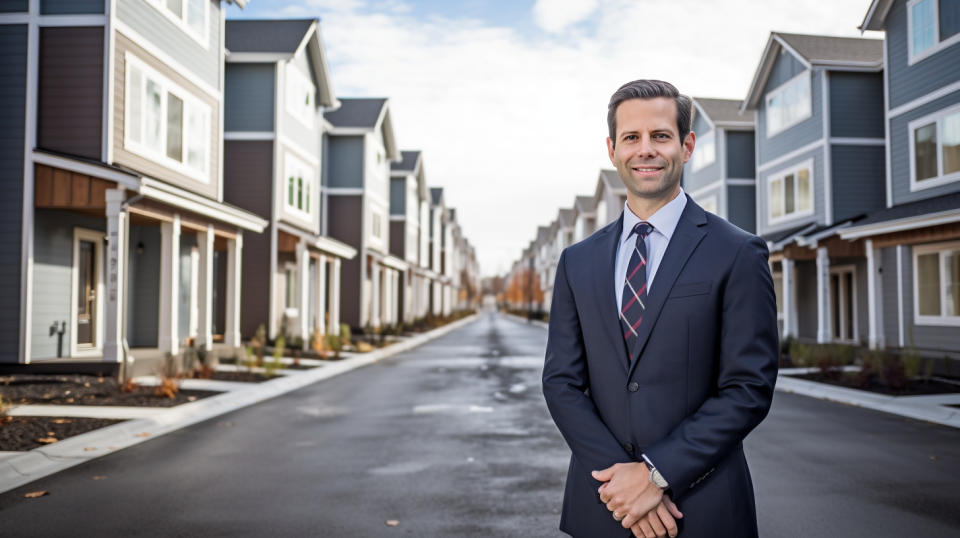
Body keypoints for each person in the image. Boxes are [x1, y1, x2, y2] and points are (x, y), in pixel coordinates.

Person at [541, 79, 778, 538]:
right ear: (612, 150)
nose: (645, 149)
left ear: (687, 146)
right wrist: (624, 481)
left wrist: (656, 474)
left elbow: (748, 387)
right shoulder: (577, 261)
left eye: (660, 136)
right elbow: (561, 382)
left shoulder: (737, 252)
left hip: (701, 510)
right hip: (604, 507)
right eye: (632, 137)